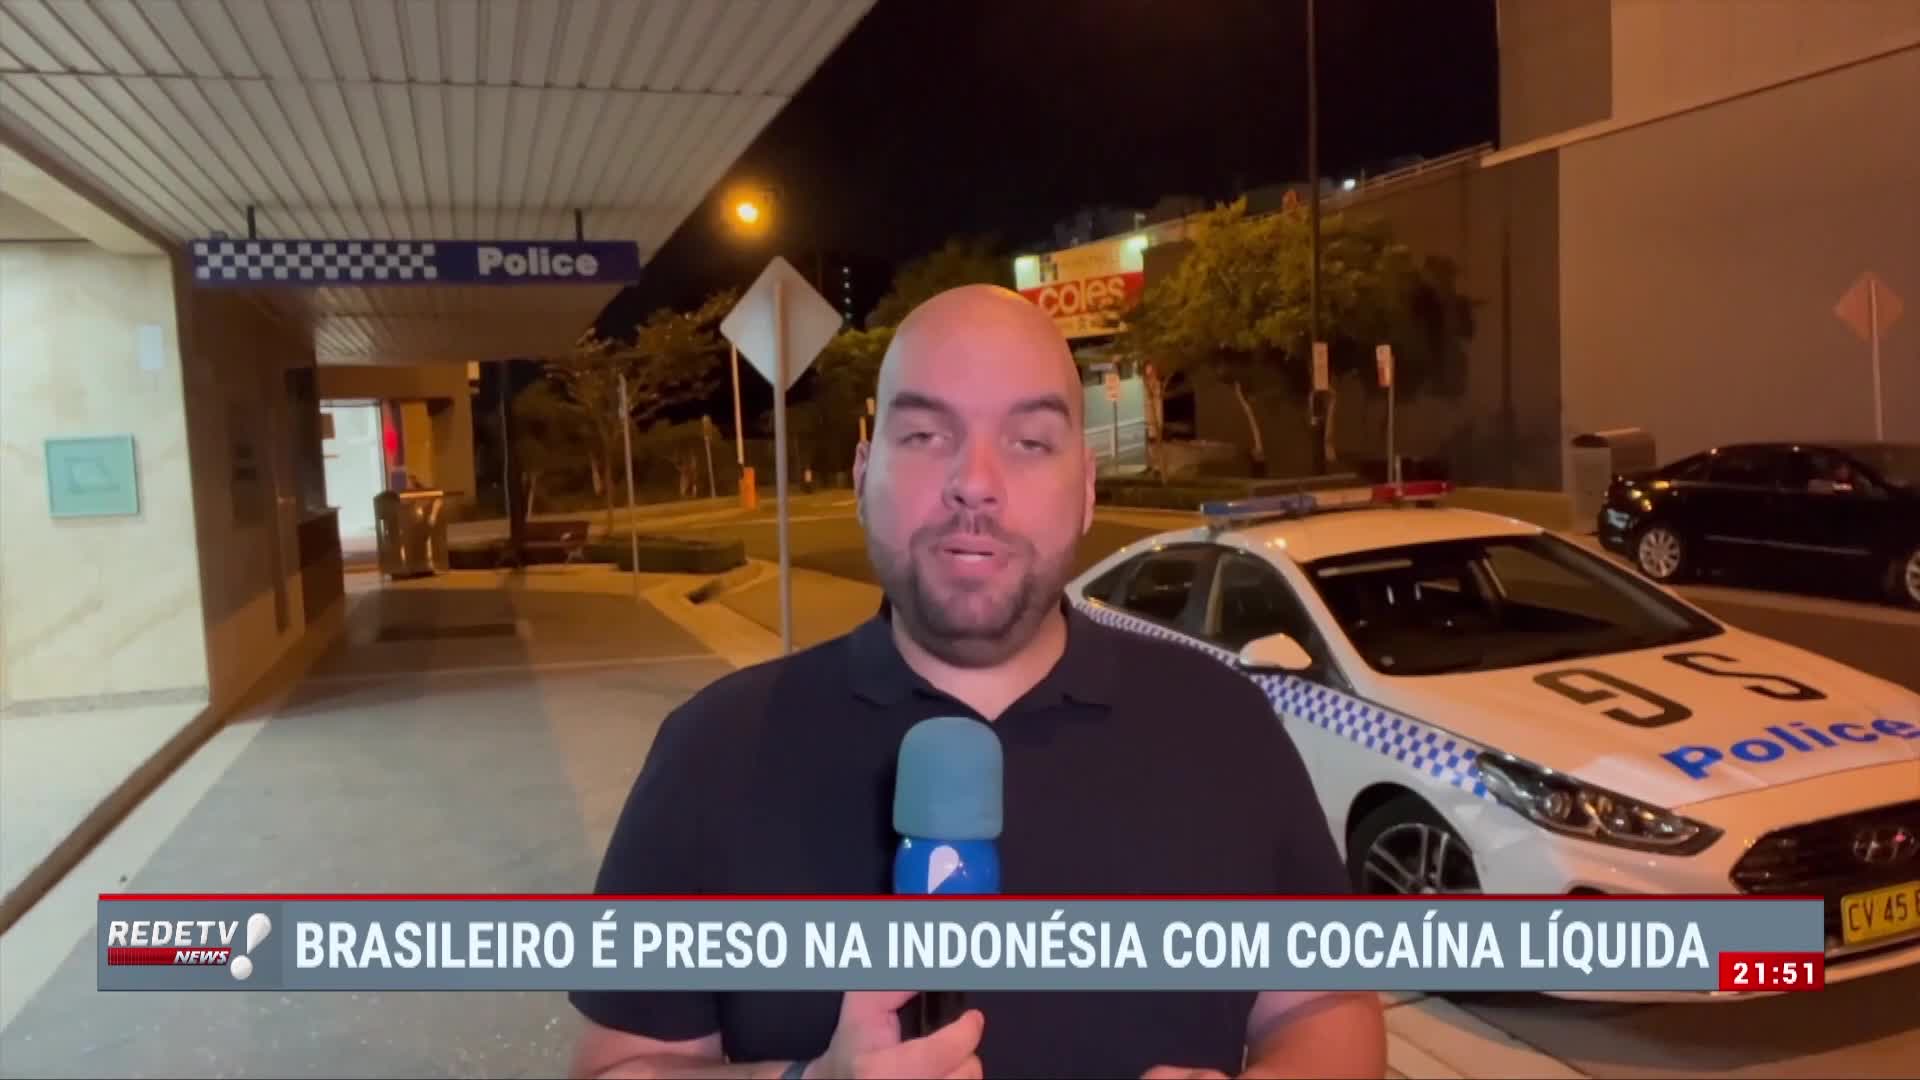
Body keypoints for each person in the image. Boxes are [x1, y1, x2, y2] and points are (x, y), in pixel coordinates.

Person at [569, 285, 1387, 1080]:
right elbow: (619, 1065)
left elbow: (1328, 1007)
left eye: (1029, 441)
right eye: (926, 434)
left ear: (1087, 490)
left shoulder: (1224, 723)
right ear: (863, 475)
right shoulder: (713, 749)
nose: (976, 481)